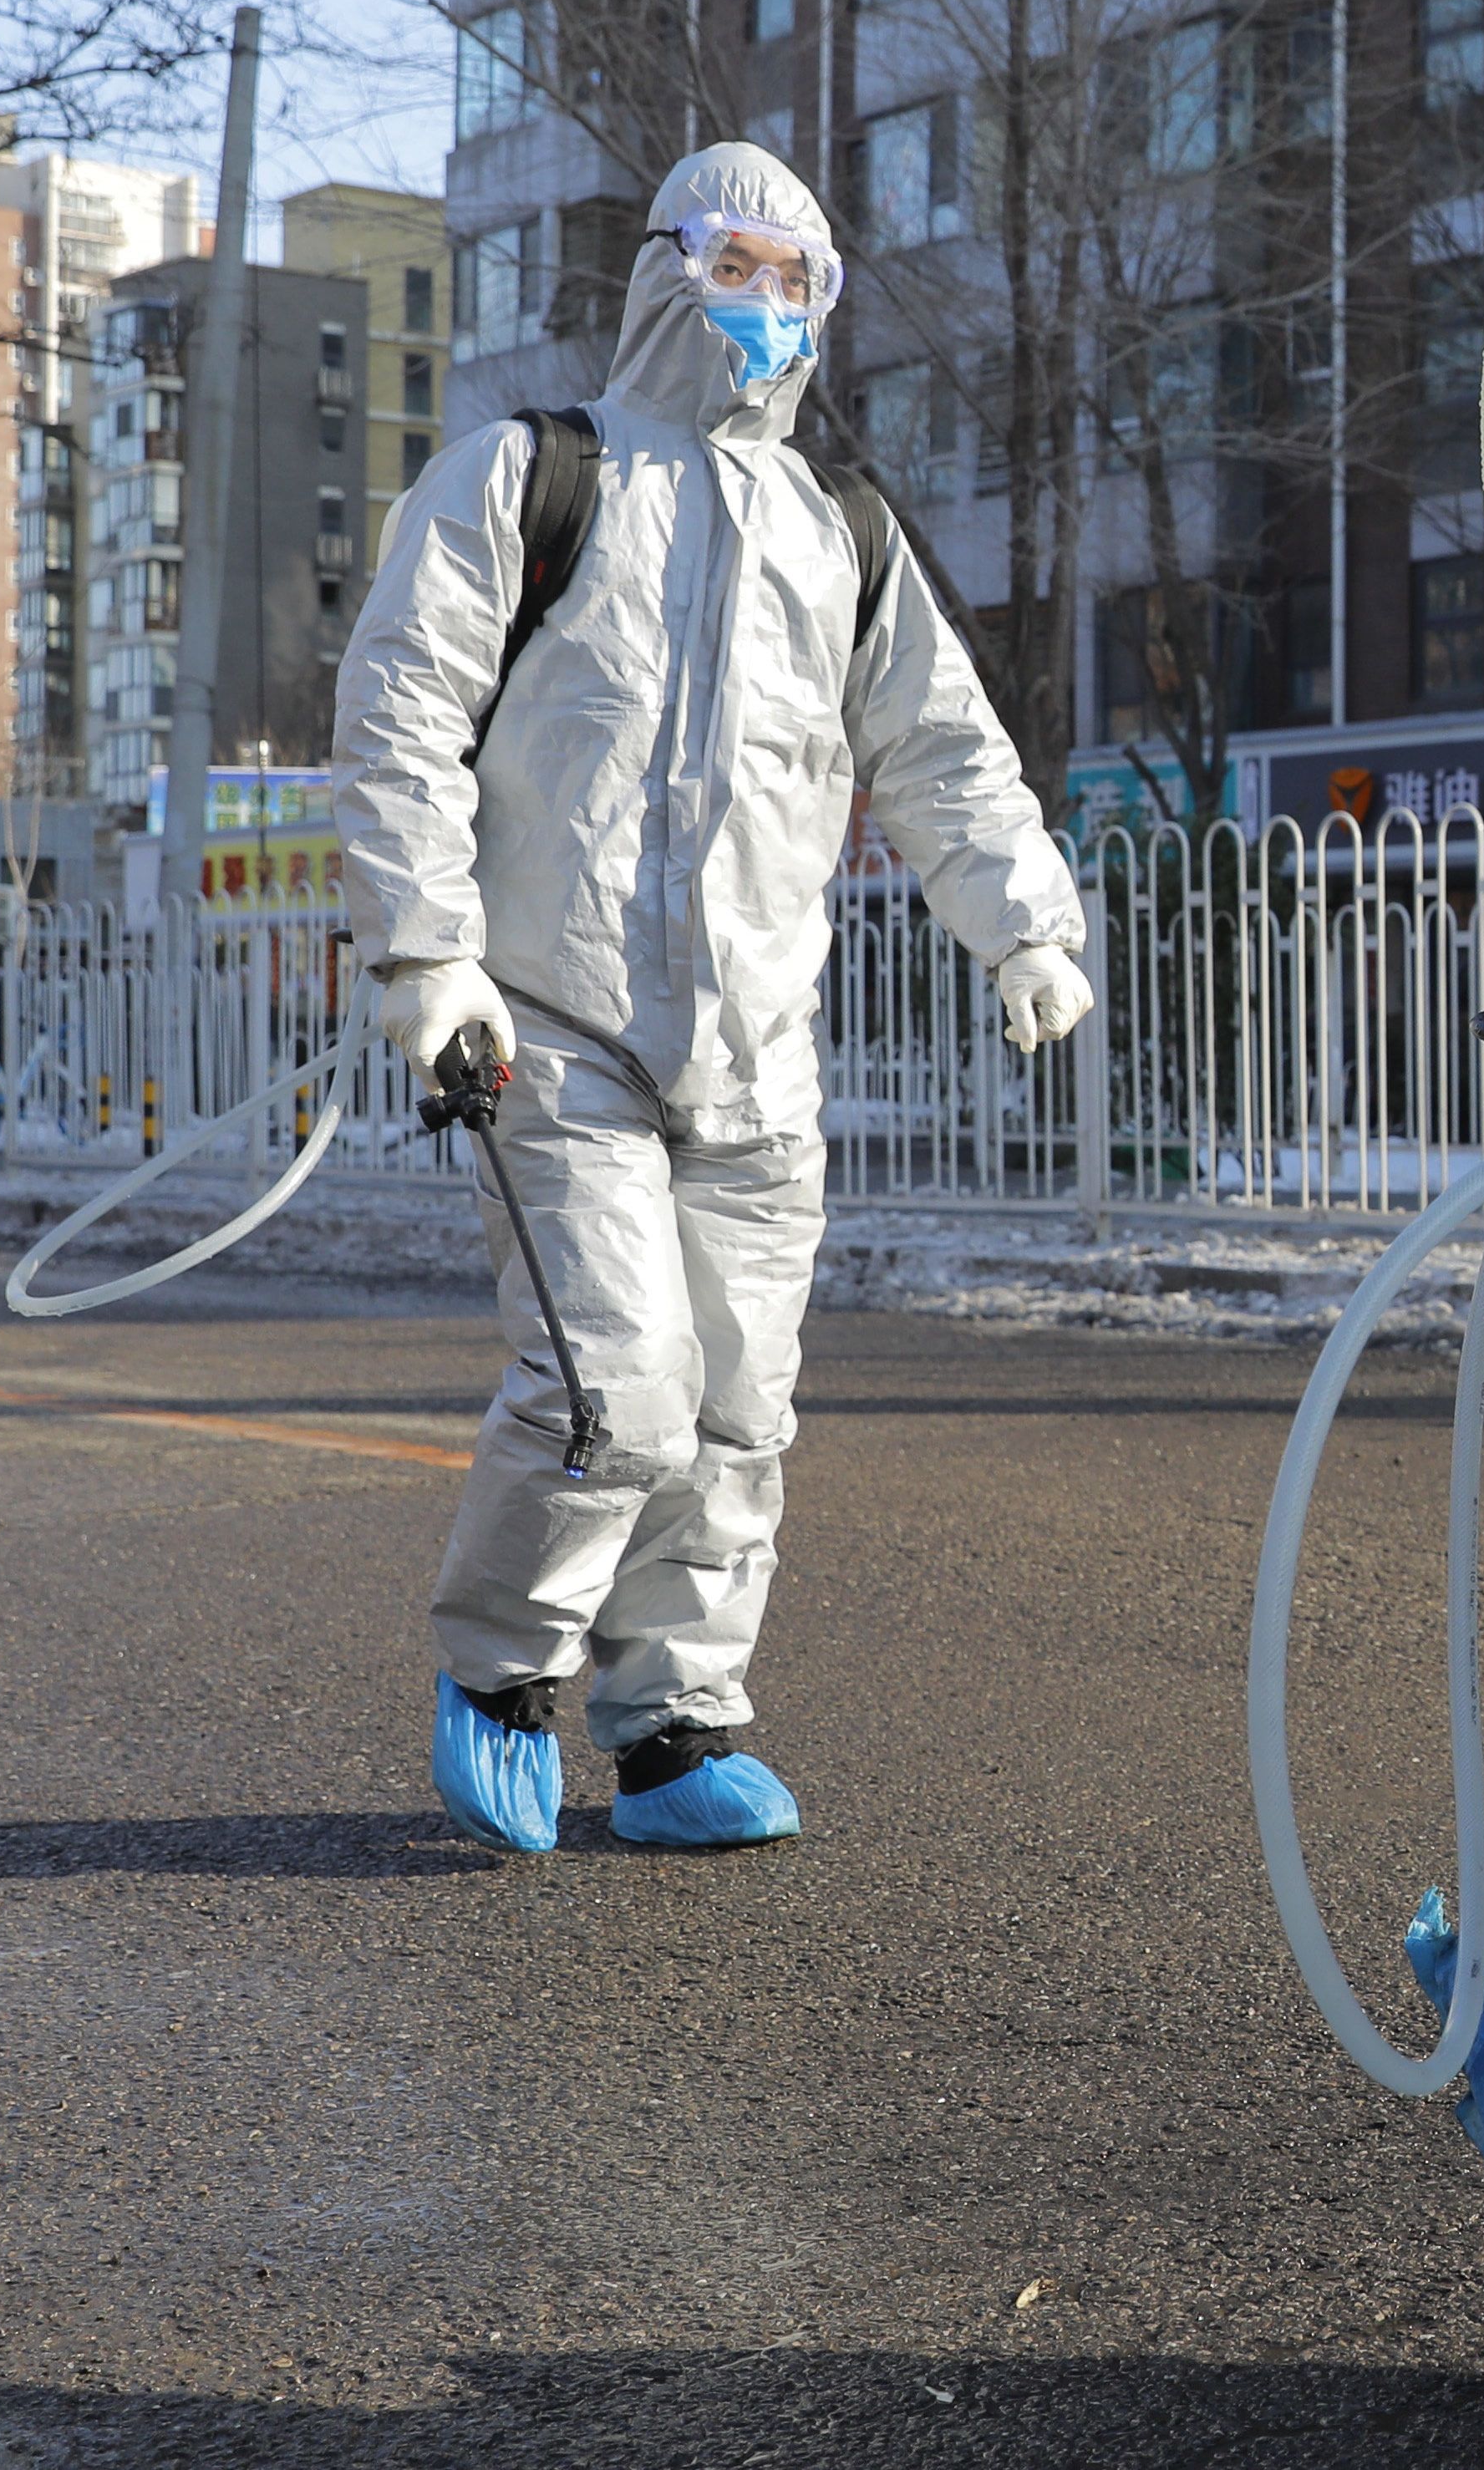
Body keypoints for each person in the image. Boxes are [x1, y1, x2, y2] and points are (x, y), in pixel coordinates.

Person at [329, 142, 1089, 1857]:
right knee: (617, 1382)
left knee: (740, 1406)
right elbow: (400, 716)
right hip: (554, 1028)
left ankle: (673, 1722)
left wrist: (1024, 926)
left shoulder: (844, 536)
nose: (764, 306)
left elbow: (945, 755)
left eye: (797, 279)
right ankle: (505, 1674)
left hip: (755, 1049)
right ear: (664, 269)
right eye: (734, 265)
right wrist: (428, 953)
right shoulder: (528, 480)